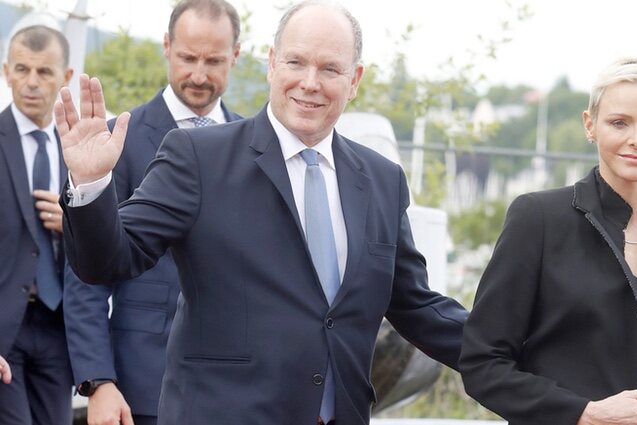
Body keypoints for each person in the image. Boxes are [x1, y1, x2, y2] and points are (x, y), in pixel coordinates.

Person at [55, 1, 467, 424]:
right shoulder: (198, 157)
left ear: (354, 79)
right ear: (271, 64)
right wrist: (90, 184)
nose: (310, 83)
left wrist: (515, 351)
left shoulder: (383, 180)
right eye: (296, 62)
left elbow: (416, 306)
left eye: (330, 69)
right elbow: (109, 260)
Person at [460, 57, 637, 425]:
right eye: (619, 122)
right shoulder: (539, 218)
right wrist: (584, 413)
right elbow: (482, 363)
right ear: (590, 125)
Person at [61, 1, 243, 425]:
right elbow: (86, 276)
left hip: (235, 392)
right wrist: (98, 381)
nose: (199, 74)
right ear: (166, 46)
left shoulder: (252, 147)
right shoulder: (113, 144)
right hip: (141, 386)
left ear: (236, 55)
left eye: (214, 60)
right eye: (187, 57)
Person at [0, 25, 74, 424]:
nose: (31, 82)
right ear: (5, 71)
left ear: (66, 78)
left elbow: (112, 241)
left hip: (59, 328)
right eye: (21, 69)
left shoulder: (82, 147)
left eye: (44, 72)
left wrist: (76, 226)